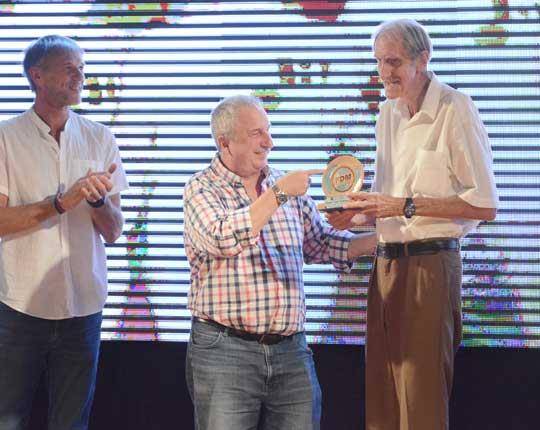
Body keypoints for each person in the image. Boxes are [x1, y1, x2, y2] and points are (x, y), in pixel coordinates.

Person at [327, 19, 498, 430]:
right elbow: (389, 200)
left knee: (421, 399)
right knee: (382, 395)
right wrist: (356, 215)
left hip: (430, 265)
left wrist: (402, 205)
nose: (383, 72)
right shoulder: (387, 112)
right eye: (378, 62)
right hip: (385, 264)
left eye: (393, 62)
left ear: (423, 59)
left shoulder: (455, 108)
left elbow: (484, 205)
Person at [183, 95, 376, 430]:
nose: (269, 142)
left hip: (291, 351)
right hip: (225, 351)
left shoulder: (283, 185)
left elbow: (321, 244)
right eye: (256, 133)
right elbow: (222, 237)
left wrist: (383, 237)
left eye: (268, 130)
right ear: (225, 143)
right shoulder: (201, 189)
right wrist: (278, 195)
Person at [0, 35, 129, 429]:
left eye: (82, 68)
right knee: (8, 418)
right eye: (69, 68)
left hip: (84, 308)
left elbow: (114, 232)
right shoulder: (5, 138)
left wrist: (97, 202)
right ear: (37, 76)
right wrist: (60, 202)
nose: (80, 76)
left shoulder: (100, 137)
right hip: (20, 307)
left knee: (71, 423)